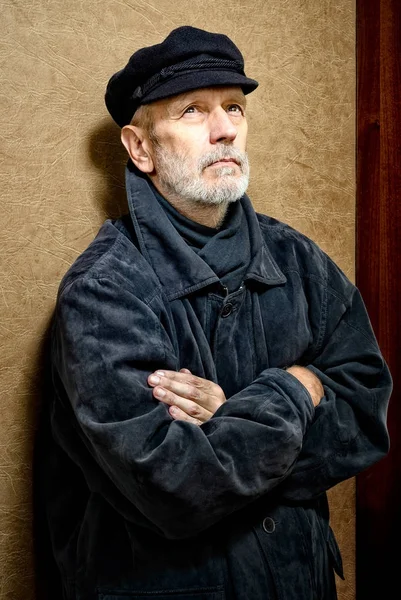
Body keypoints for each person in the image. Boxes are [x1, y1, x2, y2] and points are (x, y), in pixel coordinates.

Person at [37, 25, 392, 600]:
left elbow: (368, 415)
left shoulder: (298, 260)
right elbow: (176, 486)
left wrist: (233, 414)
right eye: (193, 111)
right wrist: (297, 390)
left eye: (233, 107)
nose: (226, 129)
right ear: (141, 148)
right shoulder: (104, 292)